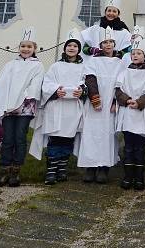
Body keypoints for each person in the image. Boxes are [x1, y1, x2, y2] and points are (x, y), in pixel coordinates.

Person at [0, 28, 44, 187]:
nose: (25, 49)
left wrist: (19, 101)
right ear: (19, 47)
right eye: (23, 46)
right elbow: (2, 85)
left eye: (29, 46)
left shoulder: (37, 66)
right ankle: (4, 169)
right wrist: (5, 103)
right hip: (8, 109)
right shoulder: (10, 65)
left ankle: (16, 171)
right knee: (7, 139)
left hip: (25, 108)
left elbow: (35, 86)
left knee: (19, 138)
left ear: (34, 48)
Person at [29, 29, 86, 184]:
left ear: (79, 49)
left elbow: (86, 83)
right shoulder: (55, 66)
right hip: (56, 107)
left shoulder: (83, 67)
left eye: (75, 46)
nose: (72, 48)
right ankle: (51, 171)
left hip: (73, 109)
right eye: (69, 46)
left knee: (68, 139)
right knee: (55, 138)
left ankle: (62, 170)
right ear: (65, 48)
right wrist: (55, 91)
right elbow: (46, 83)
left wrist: (82, 91)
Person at [77, 26, 122, 183]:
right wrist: (95, 99)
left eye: (110, 42)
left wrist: (116, 102)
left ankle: (104, 168)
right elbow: (90, 79)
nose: (108, 45)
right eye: (105, 42)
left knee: (108, 136)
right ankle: (90, 168)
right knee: (91, 134)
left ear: (114, 44)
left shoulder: (120, 62)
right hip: (95, 103)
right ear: (100, 45)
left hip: (110, 105)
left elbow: (121, 84)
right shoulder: (93, 60)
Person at [115, 37, 145, 191]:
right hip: (127, 113)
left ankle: (139, 177)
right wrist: (126, 100)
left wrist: (139, 102)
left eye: (139, 53)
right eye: (133, 53)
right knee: (128, 146)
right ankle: (128, 176)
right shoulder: (125, 71)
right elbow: (118, 89)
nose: (135, 55)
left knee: (140, 147)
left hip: (141, 113)